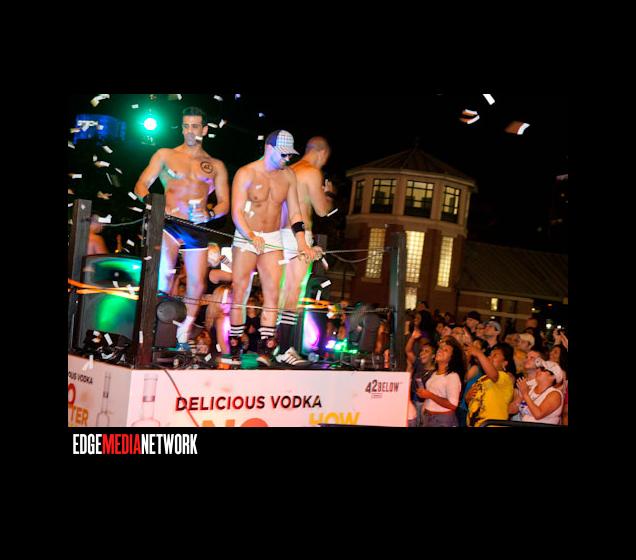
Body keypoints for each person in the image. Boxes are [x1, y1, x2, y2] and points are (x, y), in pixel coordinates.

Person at [133, 106, 230, 350]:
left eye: (195, 126)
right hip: (167, 222)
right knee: (163, 274)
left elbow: (225, 204)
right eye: (186, 126)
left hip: (196, 226)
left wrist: (210, 213)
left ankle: (183, 332)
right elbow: (141, 185)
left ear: (204, 130)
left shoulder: (215, 165)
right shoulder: (165, 154)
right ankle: (153, 328)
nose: (189, 131)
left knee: (197, 284)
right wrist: (154, 205)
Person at [229, 130, 318, 367]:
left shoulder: (288, 175)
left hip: (272, 238)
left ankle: (265, 350)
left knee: (273, 294)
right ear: (269, 149)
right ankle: (235, 348)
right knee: (240, 291)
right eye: (283, 154)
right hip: (246, 237)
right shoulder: (246, 172)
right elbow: (236, 211)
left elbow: (295, 212)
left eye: (290, 155)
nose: (287, 159)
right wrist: (250, 235)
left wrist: (302, 243)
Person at [276, 136, 334, 366]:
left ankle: (274, 346)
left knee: (280, 293)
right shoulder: (311, 171)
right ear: (321, 153)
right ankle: (284, 349)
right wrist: (328, 193)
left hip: (279, 233)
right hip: (298, 235)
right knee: (293, 293)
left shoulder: (288, 169)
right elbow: (322, 210)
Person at [415, 336, 464, 427]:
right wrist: (424, 395)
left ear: (452, 358)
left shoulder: (452, 376)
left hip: (442, 421)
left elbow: (453, 405)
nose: (440, 351)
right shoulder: (435, 374)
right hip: (428, 418)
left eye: (445, 350)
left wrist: (429, 395)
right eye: (440, 348)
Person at [465, 342, 516, 427]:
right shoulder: (481, 379)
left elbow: (494, 376)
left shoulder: (505, 377)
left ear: (504, 363)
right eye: (489, 355)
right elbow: (470, 402)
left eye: (495, 355)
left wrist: (479, 354)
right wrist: (468, 397)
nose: (489, 357)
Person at [509, 359, 564, 424]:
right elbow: (511, 410)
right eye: (538, 368)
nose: (538, 370)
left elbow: (538, 414)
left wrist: (525, 394)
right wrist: (520, 397)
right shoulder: (529, 389)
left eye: (543, 369)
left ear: (553, 376)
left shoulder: (555, 394)